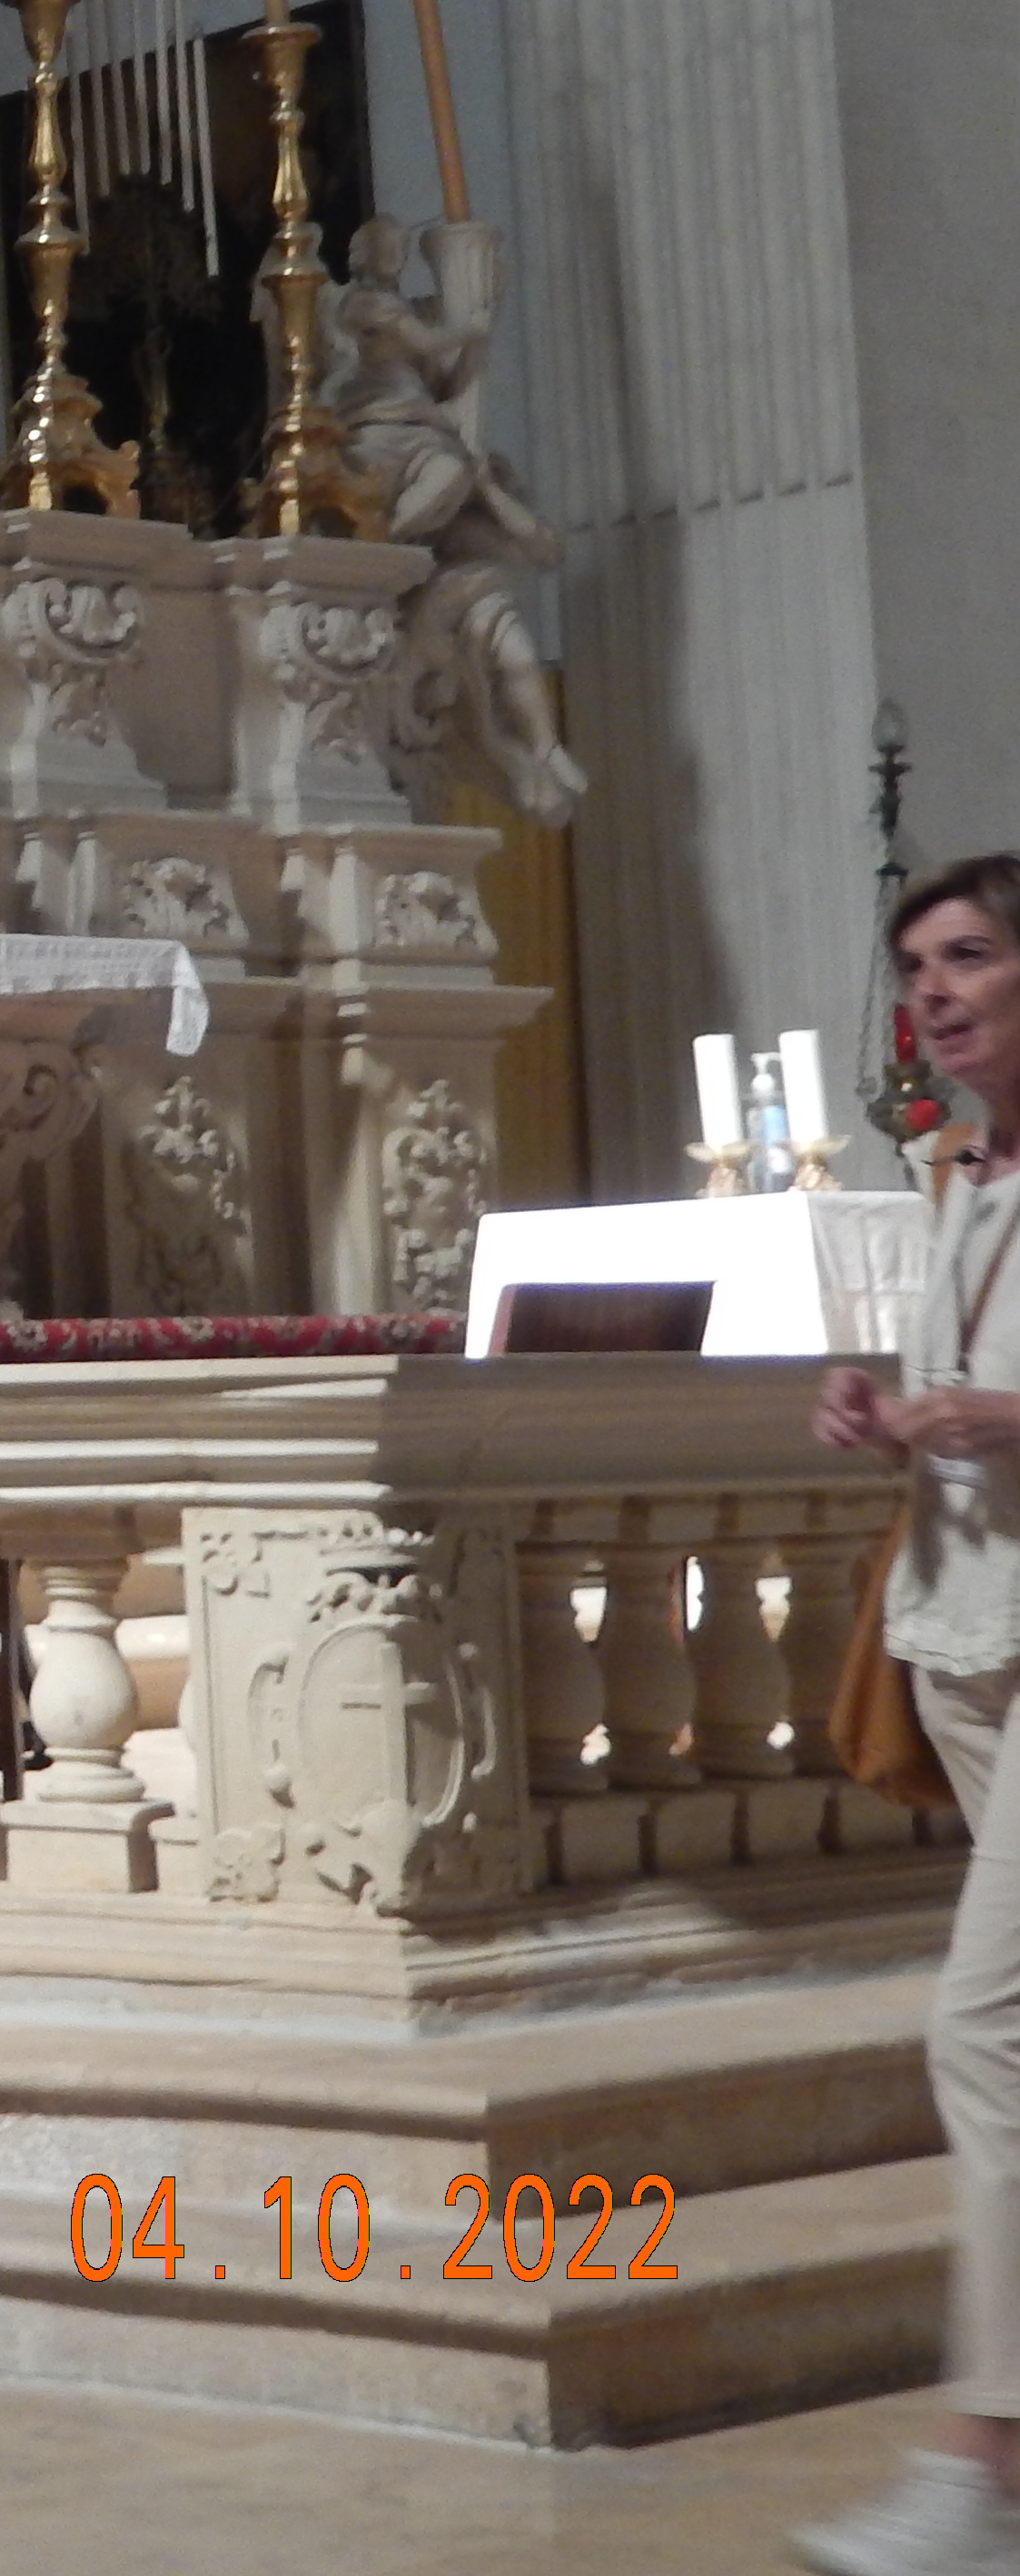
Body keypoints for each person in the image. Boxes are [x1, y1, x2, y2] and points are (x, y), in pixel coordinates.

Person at [807, 852, 1020, 2576]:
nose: (934, 992)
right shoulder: (964, 1167)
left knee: (982, 2029)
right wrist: (885, 1409)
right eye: (917, 968)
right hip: (965, 1636)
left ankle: (981, 2470)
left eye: (968, 957)